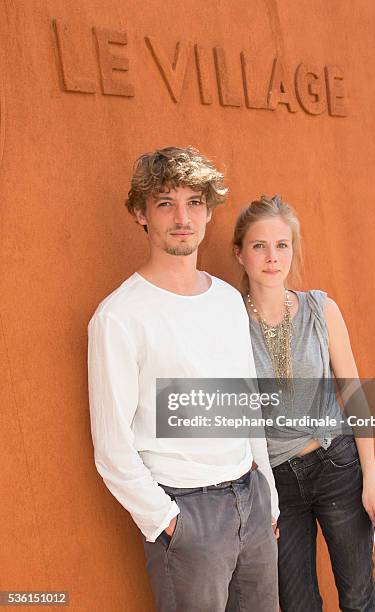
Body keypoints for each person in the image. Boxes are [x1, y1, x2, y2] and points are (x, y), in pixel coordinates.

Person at [87, 147, 279, 612]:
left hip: (250, 500)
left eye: (194, 202)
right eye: (165, 203)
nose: (182, 217)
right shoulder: (119, 316)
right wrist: (169, 521)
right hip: (186, 511)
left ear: (209, 212)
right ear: (141, 214)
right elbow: (112, 447)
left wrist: (267, 496)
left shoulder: (228, 300)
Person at [233, 194, 375, 612]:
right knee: (297, 603)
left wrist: (372, 482)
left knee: (359, 597)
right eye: (259, 245)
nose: (272, 257)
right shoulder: (227, 323)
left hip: (337, 465)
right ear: (240, 253)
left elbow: (354, 394)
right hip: (277, 484)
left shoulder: (321, 310)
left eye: (282, 245)